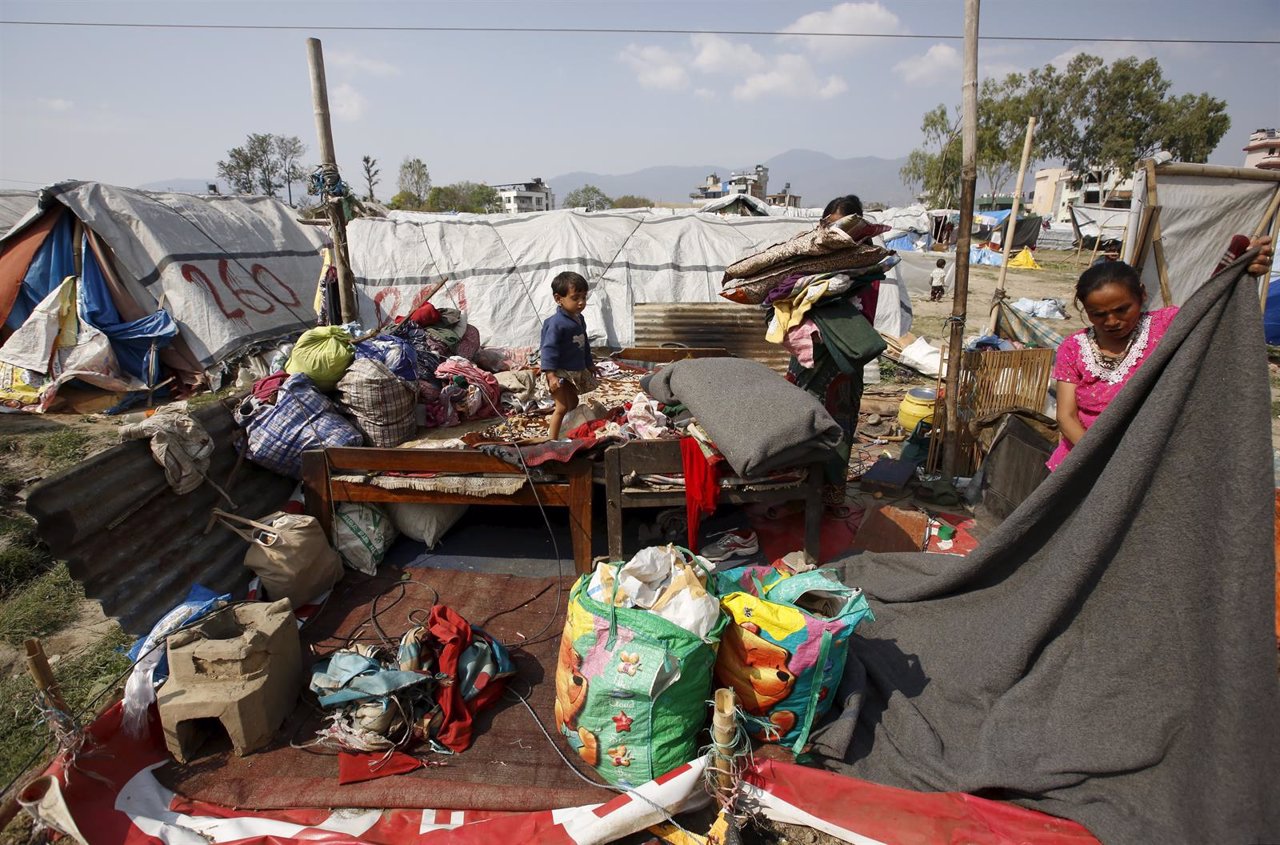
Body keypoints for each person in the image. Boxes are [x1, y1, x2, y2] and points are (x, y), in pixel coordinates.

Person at [1049, 237, 1274, 471]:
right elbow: (1066, 416)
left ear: (1142, 295)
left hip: (1151, 460)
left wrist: (1242, 269)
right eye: (1098, 314)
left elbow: (1210, 316)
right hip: (1084, 460)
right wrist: (1103, 462)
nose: (1112, 321)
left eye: (1122, 309)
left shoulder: (1165, 326)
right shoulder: (1073, 347)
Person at [540, 271, 598, 440]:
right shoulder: (556, 324)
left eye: (584, 297)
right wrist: (550, 376)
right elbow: (548, 349)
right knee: (562, 407)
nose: (581, 302)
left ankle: (567, 431)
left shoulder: (579, 319)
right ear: (559, 299)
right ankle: (552, 440)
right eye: (575, 298)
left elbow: (584, 343)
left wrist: (589, 363)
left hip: (574, 370)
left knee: (573, 403)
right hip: (559, 372)